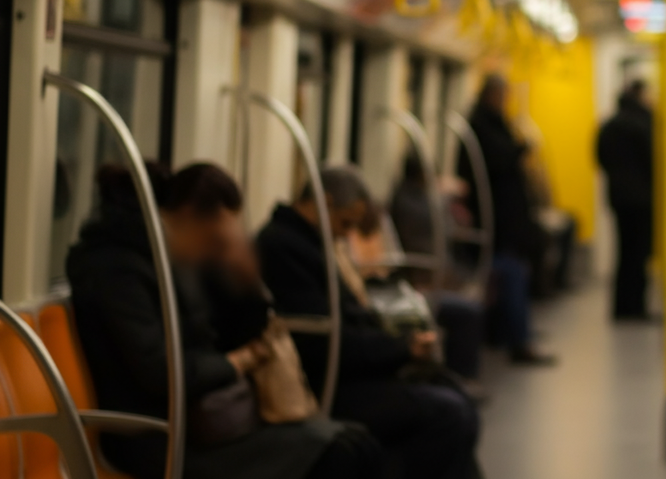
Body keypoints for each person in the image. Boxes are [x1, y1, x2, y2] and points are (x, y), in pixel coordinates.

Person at [68, 162, 383, 479]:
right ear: (181, 214)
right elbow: (159, 372)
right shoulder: (118, 270)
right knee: (340, 455)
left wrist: (241, 277)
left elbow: (224, 332)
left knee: (357, 443)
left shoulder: (166, 263)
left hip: (200, 421)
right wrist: (236, 363)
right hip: (158, 434)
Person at [257, 167, 484, 479]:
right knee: (449, 413)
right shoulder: (284, 248)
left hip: (350, 372)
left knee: (454, 396)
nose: (344, 234)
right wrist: (402, 348)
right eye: (345, 222)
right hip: (328, 385)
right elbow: (325, 343)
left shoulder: (311, 244)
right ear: (324, 202)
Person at [459, 73, 555, 364]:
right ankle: (517, 340)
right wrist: (522, 148)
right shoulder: (480, 125)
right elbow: (499, 159)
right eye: (503, 95)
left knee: (520, 268)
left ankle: (512, 333)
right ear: (492, 95)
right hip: (495, 220)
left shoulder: (492, 123)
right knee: (513, 273)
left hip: (506, 218)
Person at [388, 152, 486, 385]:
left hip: (431, 269)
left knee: (476, 290)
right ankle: (462, 376)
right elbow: (443, 227)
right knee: (469, 308)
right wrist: (445, 197)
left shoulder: (415, 198)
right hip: (422, 274)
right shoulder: (414, 203)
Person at [596, 79, 655, 320]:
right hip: (641, 198)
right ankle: (637, 307)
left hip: (618, 197)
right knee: (639, 254)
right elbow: (652, 160)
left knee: (623, 253)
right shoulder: (643, 123)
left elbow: (599, 158)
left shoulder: (609, 125)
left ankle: (621, 306)